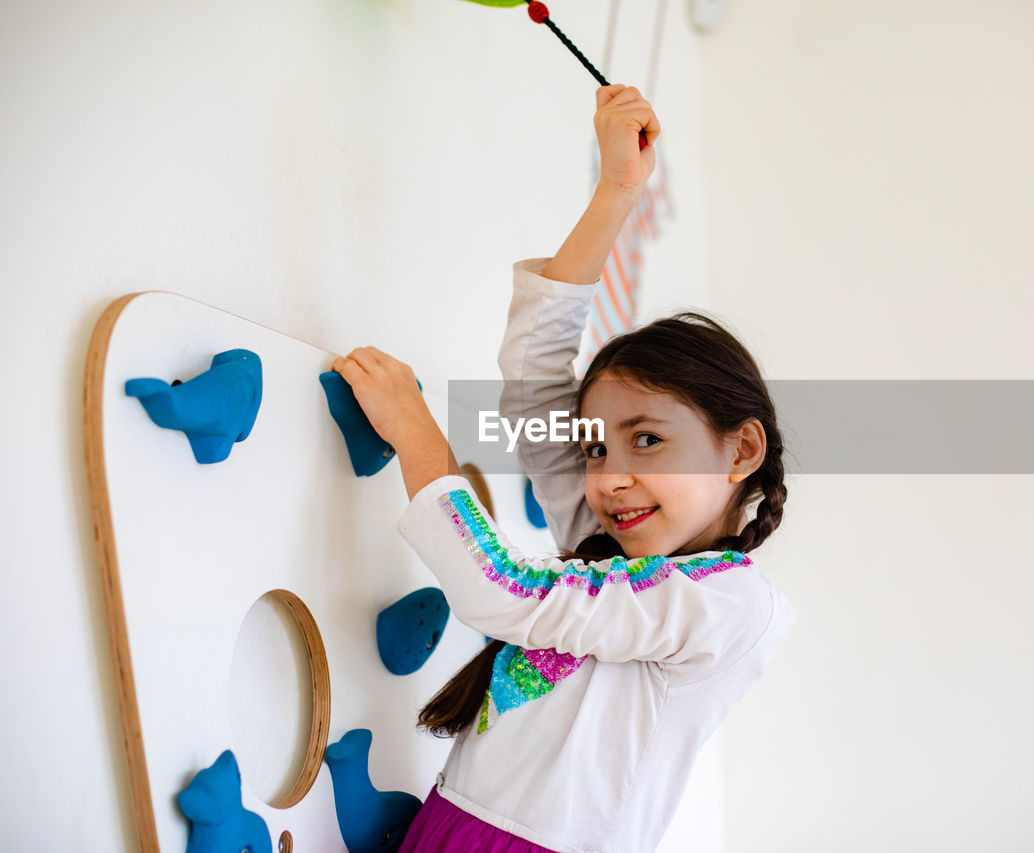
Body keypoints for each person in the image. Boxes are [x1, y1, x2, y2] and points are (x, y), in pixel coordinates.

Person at [330, 84, 795, 853]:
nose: (609, 477)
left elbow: (503, 590)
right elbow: (534, 368)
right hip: (453, 826)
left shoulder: (729, 603)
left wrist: (417, 430)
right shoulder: (612, 545)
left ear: (741, 452)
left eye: (647, 441)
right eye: (595, 448)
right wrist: (617, 192)